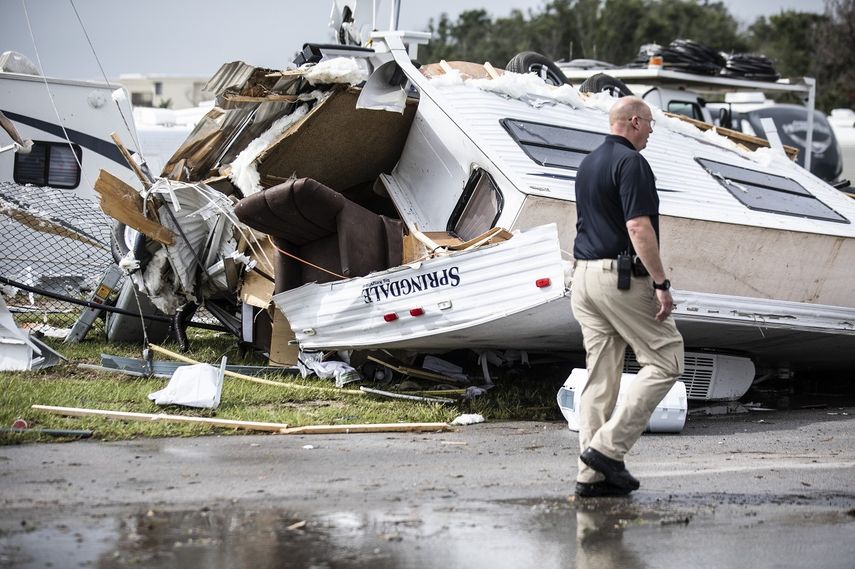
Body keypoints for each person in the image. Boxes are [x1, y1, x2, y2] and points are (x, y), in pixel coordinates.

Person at [570, 96, 684, 498]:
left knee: (600, 377)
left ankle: (591, 477)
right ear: (634, 121)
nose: (651, 130)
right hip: (617, 280)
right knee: (666, 359)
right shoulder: (632, 163)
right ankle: (606, 450)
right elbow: (638, 227)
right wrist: (661, 282)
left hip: (583, 279)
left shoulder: (588, 163)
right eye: (650, 123)